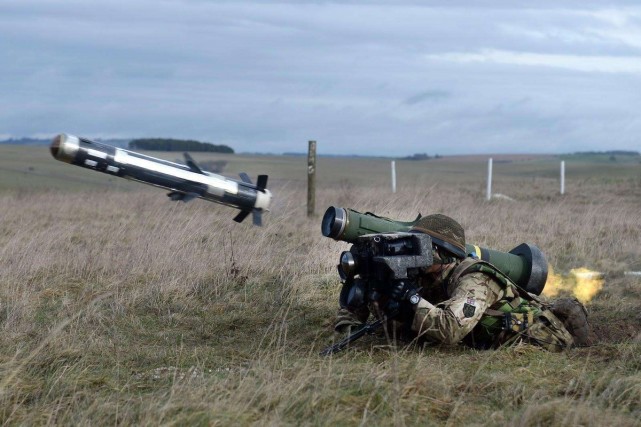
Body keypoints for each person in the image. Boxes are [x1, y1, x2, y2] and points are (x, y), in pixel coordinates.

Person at [335, 214, 591, 351]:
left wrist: (410, 300)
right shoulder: (428, 275)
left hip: (538, 341)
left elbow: (450, 330)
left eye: (422, 248)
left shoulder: (475, 279)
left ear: (443, 253)